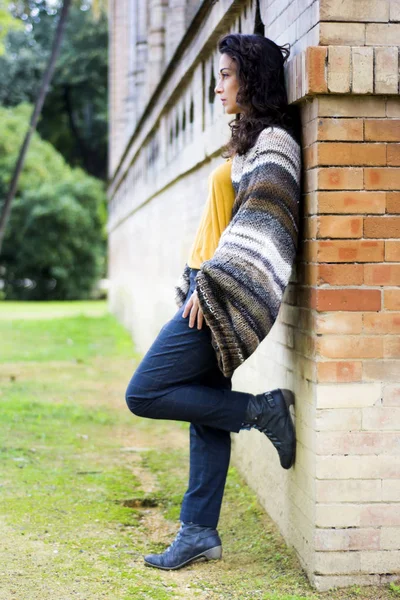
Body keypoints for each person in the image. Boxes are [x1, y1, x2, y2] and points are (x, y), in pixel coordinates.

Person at [125, 32, 302, 571]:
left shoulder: (275, 143)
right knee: (206, 417)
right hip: (203, 290)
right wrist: (195, 282)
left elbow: (261, 229)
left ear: (252, 75)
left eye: (225, 74)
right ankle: (199, 532)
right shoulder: (251, 141)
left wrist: (211, 285)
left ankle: (261, 410)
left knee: (145, 392)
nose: (218, 86)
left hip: (217, 298)